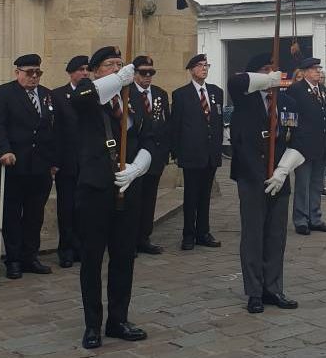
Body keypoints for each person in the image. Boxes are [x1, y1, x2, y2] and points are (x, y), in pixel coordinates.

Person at [70, 46, 153, 349]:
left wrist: (138, 166)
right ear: (94, 71)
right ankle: (93, 324)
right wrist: (117, 79)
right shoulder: (87, 93)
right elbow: (81, 99)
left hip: (128, 187)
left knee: (123, 258)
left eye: (120, 64)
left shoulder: (133, 100)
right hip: (95, 190)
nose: (119, 68)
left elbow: (151, 137)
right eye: (109, 64)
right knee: (92, 260)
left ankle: (118, 319)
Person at [228, 53, 304, 314]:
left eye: (273, 69)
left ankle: (273, 287)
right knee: (253, 236)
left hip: (279, 177)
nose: (271, 73)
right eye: (264, 70)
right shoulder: (245, 99)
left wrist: (283, 170)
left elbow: (298, 139)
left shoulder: (288, 101)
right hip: (251, 177)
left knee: (276, 235)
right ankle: (254, 291)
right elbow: (236, 82)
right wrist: (264, 80)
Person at [0, 54, 57, 278]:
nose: (34, 77)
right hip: (14, 164)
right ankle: (14, 259)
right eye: (29, 72)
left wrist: (53, 161)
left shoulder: (46, 95)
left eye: (38, 73)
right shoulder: (5, 93)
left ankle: (30, 256)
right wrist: (4, 150)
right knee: (12, 213)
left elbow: (52, 129)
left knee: (34, 213)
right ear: (17, 72)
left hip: (40, 165)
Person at [170, 54, 224, 250]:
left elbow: (216, 122)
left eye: (206, 65)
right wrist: (176, 152)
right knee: (191, 195)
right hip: (192, 153)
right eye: (200, 66)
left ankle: (203, 231)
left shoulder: (216, 92)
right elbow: (176, 125)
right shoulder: (181, 95)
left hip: (210, 153)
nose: (204, 69)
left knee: (205, 195)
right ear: (191, 70)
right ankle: (188, 234)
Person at [286, 57, 326, 235]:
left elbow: (324, 117)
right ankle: (301, 220)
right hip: (303, 146)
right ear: (305, 71)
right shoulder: (295, 90)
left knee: (316, 185)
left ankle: (315, 218)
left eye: (319, 69)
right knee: (302, 185)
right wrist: (294, 142)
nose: (318, 72)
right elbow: (290, 119)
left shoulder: (322, 90)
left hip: (321, 145)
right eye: (315, 69)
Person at [130, 56, 170, 255]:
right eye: (143, 72)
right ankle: (130, 239)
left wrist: (165, 153)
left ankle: (144, 237)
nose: (147, 77)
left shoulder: (160, 94)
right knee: (134, 199)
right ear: (135, 74)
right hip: (135, 156)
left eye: (150, 73)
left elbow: (166, 124)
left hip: (155, 156)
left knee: (149, 199)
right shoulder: (127, 93)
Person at [51, 55, 89, 268]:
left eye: (87, 69)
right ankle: (65, 249)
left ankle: (81, 247)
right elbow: (55, 131)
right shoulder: (58, 95)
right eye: (80, 69)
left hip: (88, 161)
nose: (85, 73)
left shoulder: (93, 93)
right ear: (71, 72)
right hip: (67, 161)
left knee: (84, 208)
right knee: (66, 208)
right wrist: (54, 161)